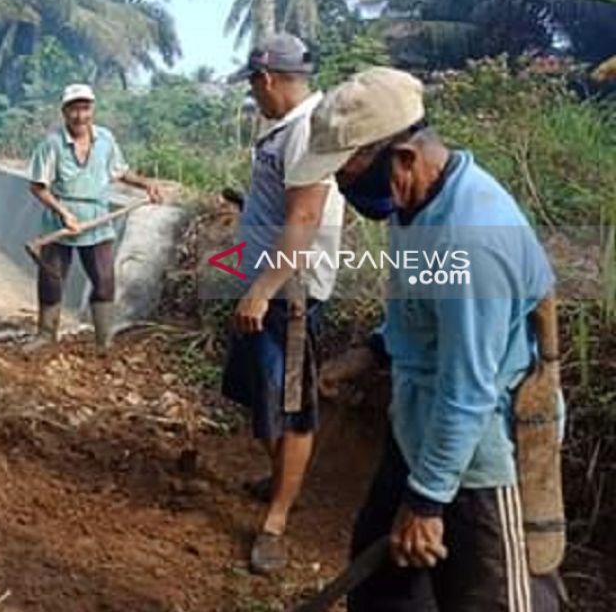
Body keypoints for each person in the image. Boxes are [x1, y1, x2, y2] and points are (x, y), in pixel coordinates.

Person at [292, 67, 562, 611]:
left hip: (478, 460)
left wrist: (427, 501)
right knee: (382, 592)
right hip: (417, 431)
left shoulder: (472, 238)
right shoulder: (414, 205)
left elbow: (468, 388)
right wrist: (373, 350)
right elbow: (423, 309)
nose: (340, 185)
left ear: (403, 156)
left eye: (345, 170)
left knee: (490, 598)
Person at [220, 33, 346, 574]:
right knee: (262, 392)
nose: (254, 96)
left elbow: (304, 219)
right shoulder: (287, 131)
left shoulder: (306, 135)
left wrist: (263, 288)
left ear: (266, 79)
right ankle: (277, 480)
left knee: (291, 406)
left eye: (253, 87)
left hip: (287, 296)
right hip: (267, 286)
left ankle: (275, 522)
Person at [28, 83, 161, 349]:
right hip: (60, 222)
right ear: (64, 112)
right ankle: (45, 334)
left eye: (85, 109)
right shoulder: (51, 145)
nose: (80, 116)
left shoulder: (105, 140)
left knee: (104, 280)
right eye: (74, 110)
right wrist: (64, 213)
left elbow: (120, 171)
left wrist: (145, 184)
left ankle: (103, 340)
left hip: (96, 220)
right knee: (51, 279)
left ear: (92, 110)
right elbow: (38, 186)